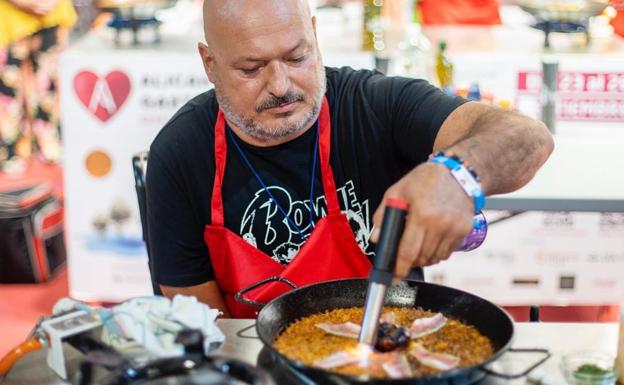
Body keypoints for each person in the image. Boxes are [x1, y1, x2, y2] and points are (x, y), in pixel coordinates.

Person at [146, 0, 553, 318]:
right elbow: (200, 324)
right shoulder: (181, 153)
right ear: (210, 63)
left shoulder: (377, 106)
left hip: (389, 347)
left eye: (296, 57)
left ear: (315, 36)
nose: (281, 85)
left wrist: (458, 175)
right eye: (251, 69)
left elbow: (529, 137)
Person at [0, 0, 76, 173]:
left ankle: (49, 145)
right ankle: (10, 151)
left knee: (48, 87)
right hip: (7, 17)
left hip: (52, 14)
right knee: (8, 91)